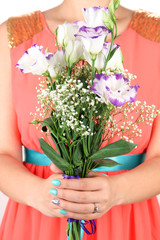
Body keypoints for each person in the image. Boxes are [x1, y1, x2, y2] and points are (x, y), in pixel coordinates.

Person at [0, 0, 160, 239]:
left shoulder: (155, 37)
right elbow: (3, 154)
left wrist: (115, 192)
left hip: (127, 221)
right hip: (37, 221)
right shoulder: (14, 36)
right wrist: (41, 194)